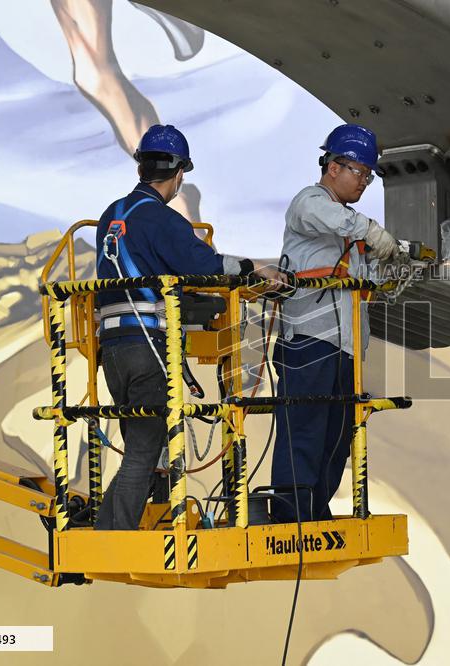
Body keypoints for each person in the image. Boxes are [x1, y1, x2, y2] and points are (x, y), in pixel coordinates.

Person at [94, 123, 283, 530]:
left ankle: (105, 532)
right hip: (148, 345)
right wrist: (255, 269)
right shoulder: (161, 219)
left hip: (113, 348)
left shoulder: (111, 215)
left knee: (139, 446)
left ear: (142, 167)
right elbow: (205, 265)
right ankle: (113, 537)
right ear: (179, 173)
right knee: (144, 452)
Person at [270, 123, 403, 523]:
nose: (363, 182)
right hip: (309, 342)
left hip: (345, 348)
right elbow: (328, 218)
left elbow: (365, 284)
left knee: (337, 436)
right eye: (360, 172)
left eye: (368, 176)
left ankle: (315, 512)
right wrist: (373, 232)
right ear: (333, 167)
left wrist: (391, 266)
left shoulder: (347, 230)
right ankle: (292, 516)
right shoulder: (310, 203)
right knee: (305, 429)